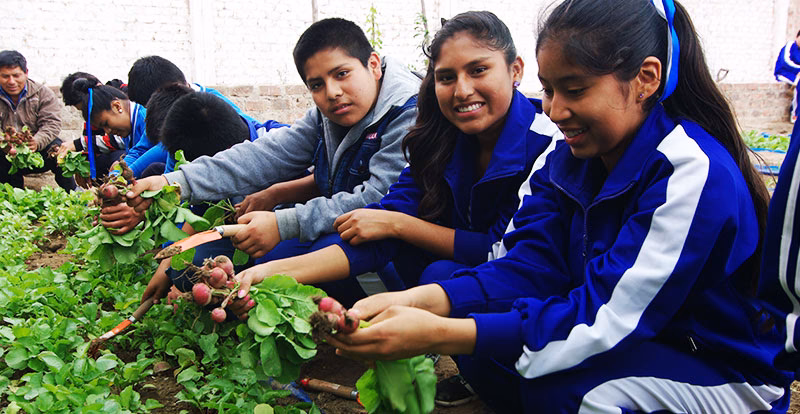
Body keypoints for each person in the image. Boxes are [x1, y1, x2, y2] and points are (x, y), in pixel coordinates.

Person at [321, 1, 792, 412]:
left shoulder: (688, 170)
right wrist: (416, 302)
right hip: (629, 335)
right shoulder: (566, 156)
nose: (553, 109)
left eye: (574, 89)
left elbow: (608, 316)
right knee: (456, 295)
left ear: (645, 79)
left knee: (570, 392)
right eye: (548, 89)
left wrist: (438, 333)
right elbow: (527, 263)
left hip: (711, 360)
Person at [233, 11, 561, 307]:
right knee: (378, 242)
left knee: (439, 272)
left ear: (515, 69)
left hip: (528, 292)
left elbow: (500, 250)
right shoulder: (437, 136)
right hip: (455, 277)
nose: (462, 91)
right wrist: (270, 274)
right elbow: (385, 217)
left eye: (478, 70)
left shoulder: (547, 144)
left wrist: (400, 225)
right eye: (446, 78)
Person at [126, 18, 421, 300]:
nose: (332, 92)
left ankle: (406, 322)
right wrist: (170, 182)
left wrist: (283, 223)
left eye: (342, 74)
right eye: (316, 84)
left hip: (396, 241)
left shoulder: (408, 113)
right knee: (250, 260)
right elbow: (268, 154)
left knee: (329, 250)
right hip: (341, 222)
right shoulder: (326, 114)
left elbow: (378, 202)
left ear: (372, 64)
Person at [140, 91, 287, 307]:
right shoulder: (211, 150)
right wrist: (168, 263)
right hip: (234, 237)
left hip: (282, 235)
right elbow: (199, 214)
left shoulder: (281, 142)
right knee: (181, 273)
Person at [122, 55, 259, 178]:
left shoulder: (215, 109)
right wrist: (119, 176)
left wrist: (130, 173)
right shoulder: (164, 115)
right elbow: (146, 149)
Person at [0, 50, 75, 191]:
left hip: (38, 149)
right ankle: (11, 198)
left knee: (58, 148)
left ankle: (72, 192)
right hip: (6, 152)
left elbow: (51, 123)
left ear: (26, 72)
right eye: (5, 76)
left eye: (16, 75)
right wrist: (5, 142)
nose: (11, 81)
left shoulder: (42, 93)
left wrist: (37, 141)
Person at [58, 72, 128, 179]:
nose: (108, 130)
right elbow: (89, 144)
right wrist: (83, 169)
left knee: (119, 158)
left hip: (128, 155)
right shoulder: (94, 113)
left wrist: (78, 144)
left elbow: (124, 141)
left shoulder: (127, 99)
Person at [774, 30, 800, 123]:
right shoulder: (790, 46)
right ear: (797, 37)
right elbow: (786, 62)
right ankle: (795, 114)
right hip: (784, 72)